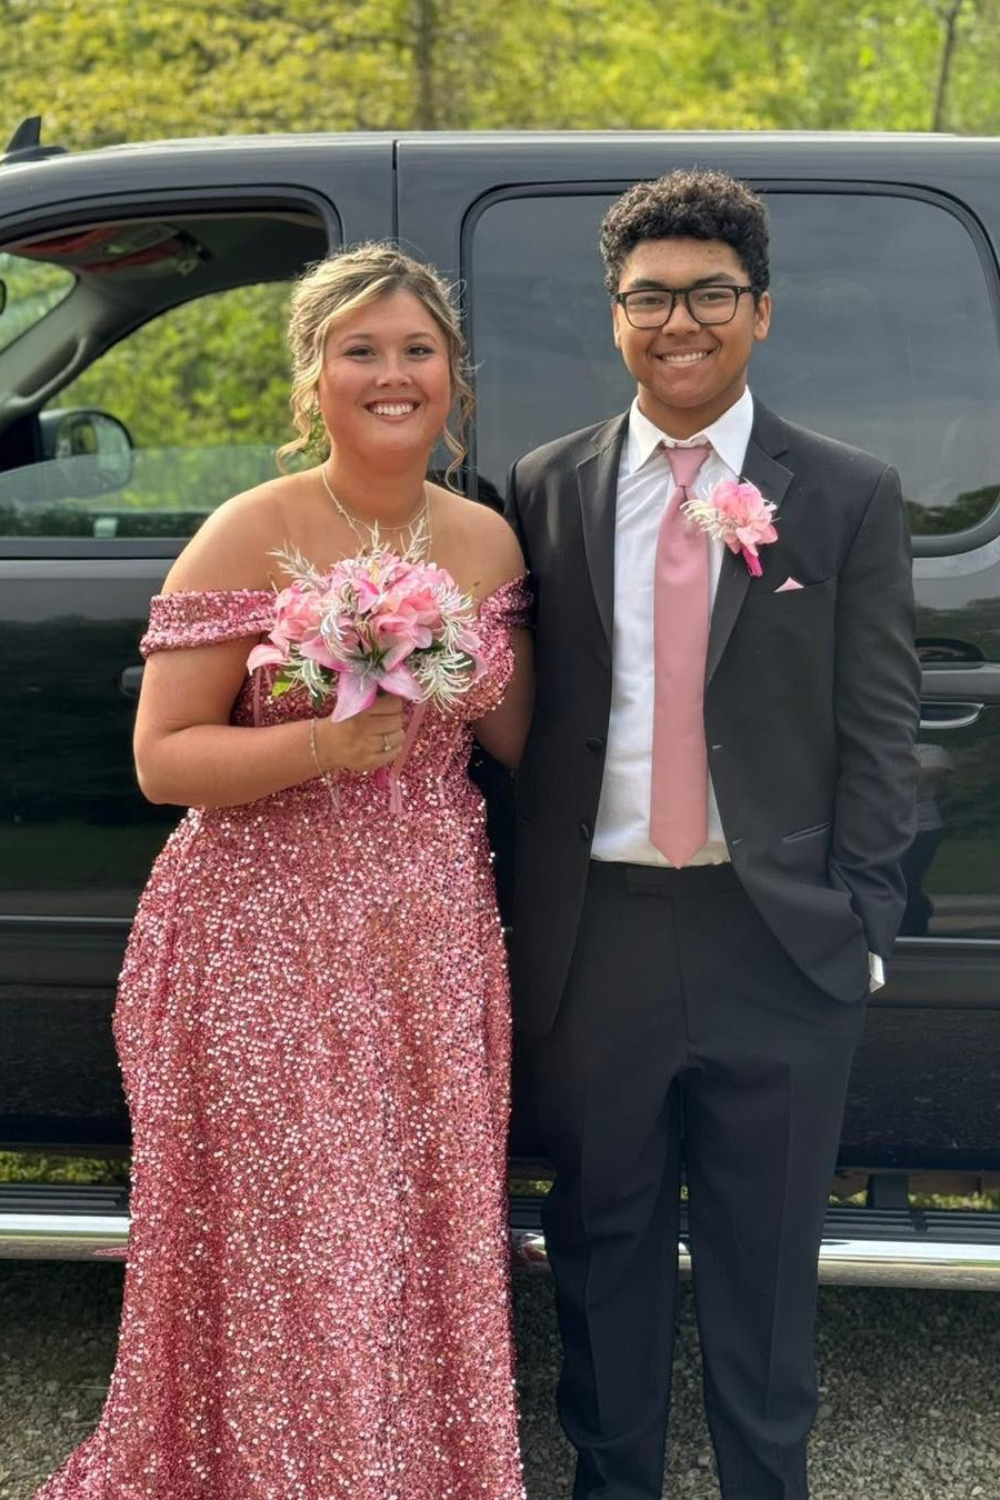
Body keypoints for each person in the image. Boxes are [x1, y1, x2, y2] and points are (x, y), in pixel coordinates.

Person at [36, 244, 531, 1500]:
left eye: (417, 349)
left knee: (411, 1233)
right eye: (358, 350)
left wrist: (462, 672)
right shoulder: (252, 530)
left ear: (454, 382)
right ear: (310, 381)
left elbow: (522, 742)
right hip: (263, 941)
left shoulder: (484, 540)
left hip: (424, 946)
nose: (391, 374)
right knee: (294, 1243)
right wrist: (321, 737)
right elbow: (164, 760)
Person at [505, 170, 920, 1500]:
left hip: (778, 942)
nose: (677, 322)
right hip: (600, 941)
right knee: (602, 1249)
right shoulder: (546, 485)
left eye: (709, 296)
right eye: (648, 298)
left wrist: (861, 926)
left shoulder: (846, 494)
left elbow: (880, 728)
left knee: (762, 1266)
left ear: (761, 312)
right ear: (613, 314)